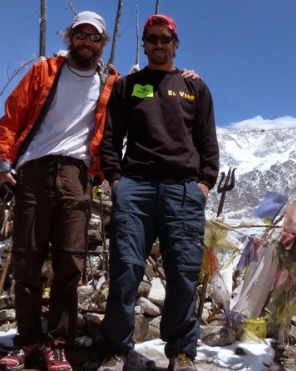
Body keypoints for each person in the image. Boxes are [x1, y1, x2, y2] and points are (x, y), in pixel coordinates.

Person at [0, 10, 118, 371]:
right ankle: (28, 340)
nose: (87, 42)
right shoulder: (44, 70)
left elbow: (146, 93)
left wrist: (183, 78)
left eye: (94, 37)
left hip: (77, 175)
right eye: (81, 35)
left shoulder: (111, 81)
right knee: (27, 257)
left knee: (70, 260)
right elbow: (12, 116)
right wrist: (0, 164)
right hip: (34, 170)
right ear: (70, 37)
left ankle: (58, 342)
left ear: (103, 44)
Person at [98, 14, 219, 371]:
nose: (158, 44)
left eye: (165, 38)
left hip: (183, 190)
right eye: (151, 38)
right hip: (135, 187)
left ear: (175, 43)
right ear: (145, 43)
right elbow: (110, 138)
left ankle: (181, 353)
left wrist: (204, 184)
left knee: (183, 271)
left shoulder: (194, 87)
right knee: (125, 267)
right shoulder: (127, 86)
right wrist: (116, 181)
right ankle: (116, 348)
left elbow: (207, 141)